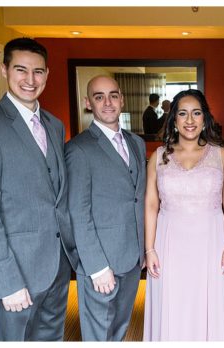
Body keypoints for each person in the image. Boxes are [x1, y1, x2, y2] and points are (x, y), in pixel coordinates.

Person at [0, 37, 78, 341]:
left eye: (38, 72)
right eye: (21, 70)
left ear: (47, 74)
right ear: (4, 70)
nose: (30, 80)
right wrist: (7, 281)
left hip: (56, 267)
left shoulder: (54, 125)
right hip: (13, 274)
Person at [143, 89, 224, 341]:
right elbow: (151, 204)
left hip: (211, 243)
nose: (189, 120)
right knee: (172, 304)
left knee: (209, 305)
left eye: (196, 113)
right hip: (169, 243)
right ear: (173, 119)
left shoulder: (221, 155)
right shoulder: (159, 157)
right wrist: (149, 249)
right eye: (182, 114)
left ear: (205, 118)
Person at [65, 75, 145, 341]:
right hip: (100, 263)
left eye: (113, 95)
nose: (108, 102)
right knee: (98, 335)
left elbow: (137, 199)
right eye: (99, 97)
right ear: (88, 103)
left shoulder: (136, 143)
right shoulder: (78, 149)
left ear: (122, 99)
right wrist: (97, 267)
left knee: (120, 329)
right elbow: (78, 212)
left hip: (132, 258)